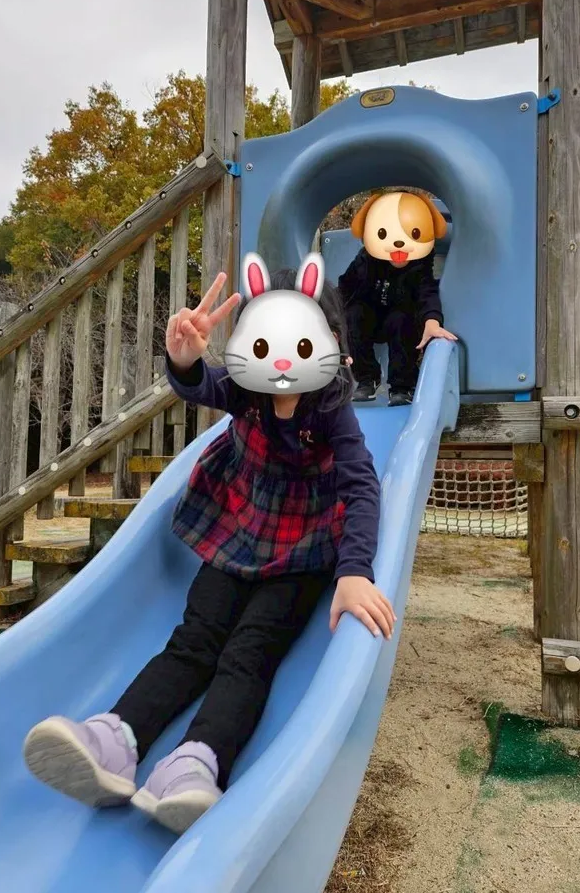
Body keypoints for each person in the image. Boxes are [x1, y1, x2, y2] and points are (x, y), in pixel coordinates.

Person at [23, 266, 394, 836]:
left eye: (300, 344)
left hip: (305, 552)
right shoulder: (243, 386)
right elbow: (198, 385)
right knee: (194, 640)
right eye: (265, 344)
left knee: (248, 652)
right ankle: (116, 738)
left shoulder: (331, 407)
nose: (282, 363)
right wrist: (185, 358)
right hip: (239, 534)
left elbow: (362, 483)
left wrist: (355, 571)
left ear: (328, 341)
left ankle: (197, 761)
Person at [338, 191, 457, 406]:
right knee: (353, 315)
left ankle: (402, 387)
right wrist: (332, 322)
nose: (398, 246)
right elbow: (344, 289)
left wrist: (432, 321)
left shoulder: (419, 265)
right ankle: (367, 379)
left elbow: (427, 293)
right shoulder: (366, 260)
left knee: (401, 320)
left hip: (400, 319)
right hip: (370, 316)